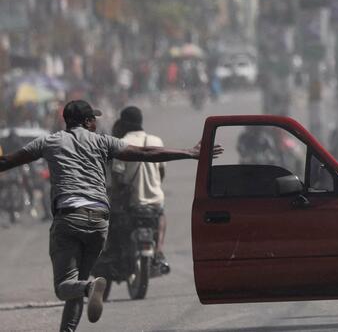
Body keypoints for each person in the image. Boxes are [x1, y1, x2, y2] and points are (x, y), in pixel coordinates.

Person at [0, 100, 221, 331]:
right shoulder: (103, 141)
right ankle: (81, 301)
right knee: (77, 283)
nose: (96, 122)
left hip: (69, 219)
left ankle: (89, 288)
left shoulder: (49, 141)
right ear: (87, 122)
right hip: (98, 221)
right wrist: (189, 153)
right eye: (93, 118)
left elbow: (7, 161)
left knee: (65, 286)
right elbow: (145, 153)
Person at [108, 106, 169, 271]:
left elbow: (117, 176)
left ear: (123, 123)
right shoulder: (156, 141)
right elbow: (161, 172)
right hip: (155, 200)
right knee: (161, 216)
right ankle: (159, 250)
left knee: (116, 226)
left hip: (132, 202)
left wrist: (114, 194)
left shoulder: (121, 143)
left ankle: (120, 255)